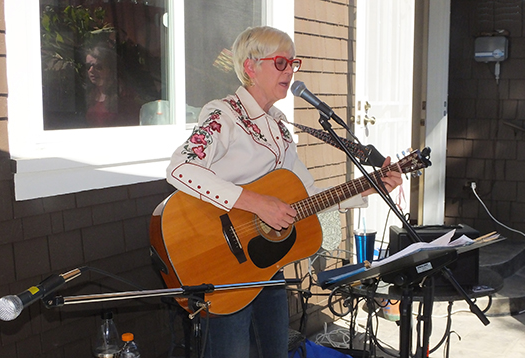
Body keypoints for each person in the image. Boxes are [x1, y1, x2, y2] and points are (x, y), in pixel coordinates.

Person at [166, 26, 403, 358]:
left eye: (294, 63)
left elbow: (308, 194)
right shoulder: (223, 114)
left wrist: (371, 187)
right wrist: (258, 203)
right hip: (222, 263)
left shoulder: (279, 125)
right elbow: (180, 168)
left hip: (266, 265)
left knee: (276, 352)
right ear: (250, 67)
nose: (290, 70)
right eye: (281, 62)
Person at [84, 44, 141, 127]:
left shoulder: (124, 95)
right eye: (88, 66)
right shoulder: (90, 94)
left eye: (99, 67)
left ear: (110, 69)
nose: (91, 70)